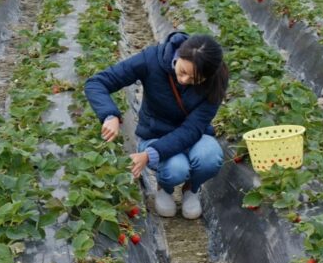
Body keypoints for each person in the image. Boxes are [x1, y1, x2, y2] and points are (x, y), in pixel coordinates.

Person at [84, 32, 229, 219]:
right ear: (179, 55)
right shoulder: (151, 59)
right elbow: (97, 83)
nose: (184, 80)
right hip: (156, 135)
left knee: (210, 157)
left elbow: (192, 129)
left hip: (193, 136)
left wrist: (149, 155)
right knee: (176, 168)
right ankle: (165, 188)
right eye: (183, 72)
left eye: (194, 80)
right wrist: (109, 114)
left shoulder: (217, 79)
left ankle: (191, 189)